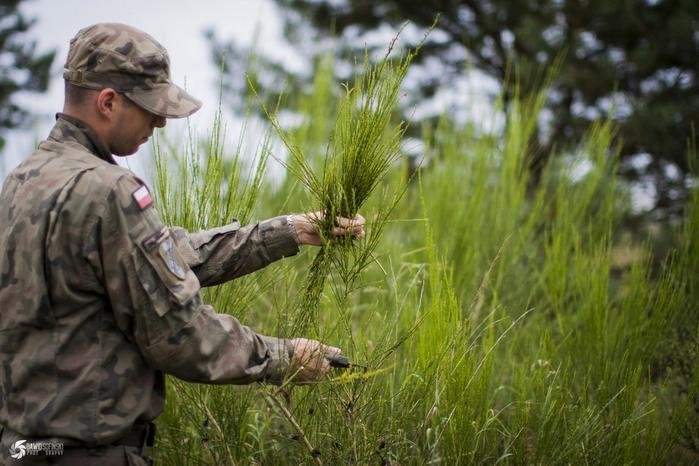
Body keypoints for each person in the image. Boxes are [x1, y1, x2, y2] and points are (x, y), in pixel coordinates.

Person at [0, 23, 364, 465]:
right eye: (150, 108)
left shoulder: (22, 181)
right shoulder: (109, 191)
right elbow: (181, 334)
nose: (159, 121)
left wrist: (285, 231)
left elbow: (157, 260)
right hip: (90, 454)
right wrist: (285, 357)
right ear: (108, 102)